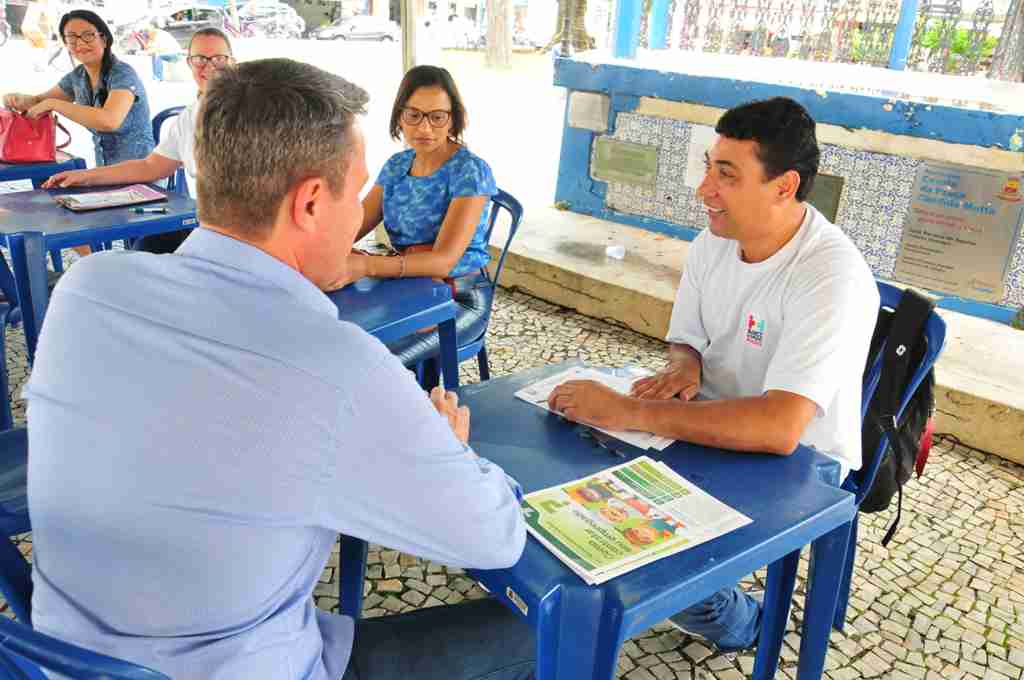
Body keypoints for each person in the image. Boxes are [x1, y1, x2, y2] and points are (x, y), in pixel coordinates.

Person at [25, 58, 535, 680]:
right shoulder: (338, 368)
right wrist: (448, 449)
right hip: (249, 665)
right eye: (354, 191)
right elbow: (493, 536)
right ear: (313, 203)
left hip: (57, 661)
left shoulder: (87, 289)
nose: (358, 217)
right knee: (538, 635)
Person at [548, 97, 879, 652]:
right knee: (579, 496)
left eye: (726, 175)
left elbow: (779, 428)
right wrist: (684, 364)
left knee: (653, 561)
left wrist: (628, 409)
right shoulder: (715, 241)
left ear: (783, 186)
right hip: (707, 421)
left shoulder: (831, 275)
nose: (705, 189)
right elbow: (687, 337)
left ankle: (742, 623)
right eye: (708, 167)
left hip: (800, 458)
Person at [342, 65, 497, 370]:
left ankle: (422, 414)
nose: (425, 129)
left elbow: (443, 262)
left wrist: (364, 265)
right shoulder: (397, 166)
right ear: (399, 115)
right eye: (414, 115)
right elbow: (353, 226)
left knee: (372, 362)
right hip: (409, 289)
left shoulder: (469, 171)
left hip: (459, 298)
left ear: (453, 118)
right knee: (343, 341)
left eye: (437, 117)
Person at [44, 28, 235, 254]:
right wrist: (83, 177)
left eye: (219, 59)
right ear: (189, 63)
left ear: (233, 62)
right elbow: (151, 166)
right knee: (146, 248)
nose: (209, 66)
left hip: (249, 232)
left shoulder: (257, 110)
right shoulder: (191, 116)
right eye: (200, 59)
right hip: (211, 226)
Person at [4, 9, 154, 167]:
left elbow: (109, 120)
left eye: (88, 35)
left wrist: (54, 104)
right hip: (105, 170)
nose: (80, 43)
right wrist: (17, 98)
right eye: (71, 37)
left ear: (104, 39)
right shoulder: (78, 76)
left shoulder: (122, 73)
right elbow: (38, 101)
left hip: (140, 170)